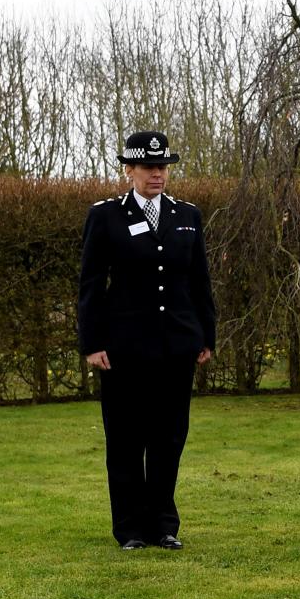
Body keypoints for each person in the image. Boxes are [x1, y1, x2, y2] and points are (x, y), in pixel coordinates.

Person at [77, 130, 216, 552]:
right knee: (125, 439)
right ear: (129, 170)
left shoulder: (186, 214)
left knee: (169, 438)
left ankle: (163, 525)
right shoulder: (105, 216)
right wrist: (92, 341)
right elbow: (91, 284)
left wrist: (205, 334)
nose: (158, 175)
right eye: (149, 168)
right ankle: (131, 529)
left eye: (163, 168)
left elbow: (199, 282)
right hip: (123, 349)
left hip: (176, 346)